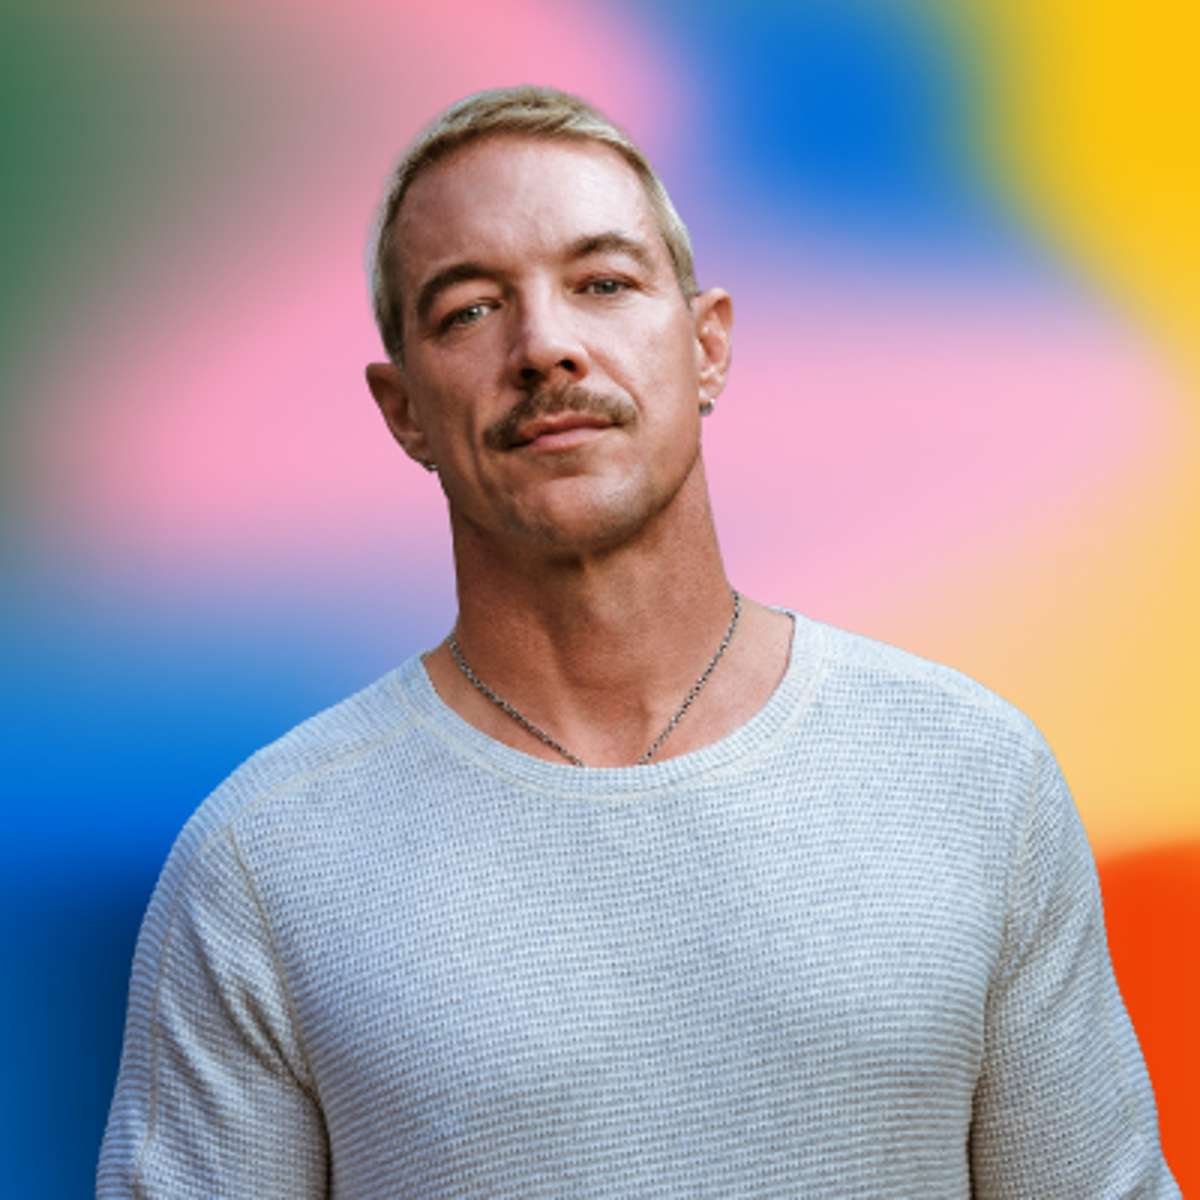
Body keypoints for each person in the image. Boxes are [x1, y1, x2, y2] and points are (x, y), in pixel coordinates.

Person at [97, 85, 1179, 1198]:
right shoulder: (265, 865)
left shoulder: (972, 777)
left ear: (707, 346)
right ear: (403, 409)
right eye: (469, 310)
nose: (545, 346)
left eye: (603, 284)